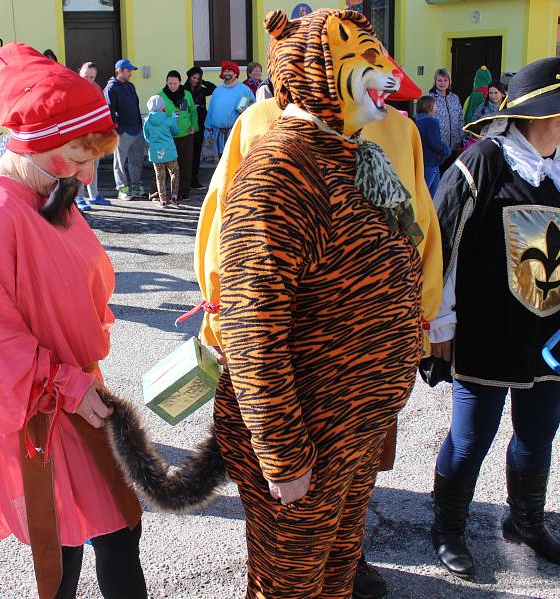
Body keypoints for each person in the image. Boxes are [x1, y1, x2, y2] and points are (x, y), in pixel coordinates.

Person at [206, 9, 424, 597]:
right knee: (289, 584)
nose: (384, 73)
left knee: (337, 569)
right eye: (365, 59)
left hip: (352, 424)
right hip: (307, 434)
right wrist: (283, 454)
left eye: (380, 57)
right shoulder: (279, 170)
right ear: (316, 71)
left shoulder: (352, 153)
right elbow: (254, 329)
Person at [0, 43, 146, 599]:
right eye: (77, 157)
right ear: (34, 141)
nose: (86, 172)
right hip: (42, 406)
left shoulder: (48, 189)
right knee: (73, 541)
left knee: (106, 530)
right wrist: (64, 383)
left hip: (73, 392)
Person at [428, 57, 560, 581]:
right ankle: (448, 528)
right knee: (471, 438)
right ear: (528, 115)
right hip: (488, 331)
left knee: (538, 434)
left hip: (552, 334)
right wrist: (440, 324)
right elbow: (441, 249)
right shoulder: (482, 165)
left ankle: (526, 522)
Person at [105, 58, 144, 200]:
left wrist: (140, 125)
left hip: (137, 130)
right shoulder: (110, 88)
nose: (131, 74)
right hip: (122, 132)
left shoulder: (130, 86)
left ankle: (135, 186)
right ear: (119, 71)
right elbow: (109, 111)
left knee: (136, 160)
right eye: (128, 71)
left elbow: (136, 106)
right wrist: (118, 130)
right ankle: (122, 189)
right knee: (120, 163)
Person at [76, 61, 110, 211]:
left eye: (92, 77)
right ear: (79, 73)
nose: (89, 80)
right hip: (79, 135)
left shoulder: (96, 88)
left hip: (95, 134)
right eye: (86, 76)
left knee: (93, 165)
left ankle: (94, 195)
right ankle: (78, 197)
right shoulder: (73, 88)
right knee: (79, 166)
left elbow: (101, 109)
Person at [204, 60, 254, 157]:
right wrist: (208, 132)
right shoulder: (217, 91)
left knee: (235, 162)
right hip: (218, 134)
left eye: (230, 70)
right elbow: (210, 112)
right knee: (221, 164)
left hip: (235, 134)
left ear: (235, 74)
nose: (227, 73)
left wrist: (246, 110)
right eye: (225, 71)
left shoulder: (244, 90)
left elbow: (253, 107)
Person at [160, 70, 197, 200]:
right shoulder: (161, 96)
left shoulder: (186, 95)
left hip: (186, 134)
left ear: (180, 82)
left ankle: (183, 191)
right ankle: (161, 192)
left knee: (185, 164)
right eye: (170, 83)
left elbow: (192, 112)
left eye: (175, 83)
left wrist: (194, 126)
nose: (172, 86)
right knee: (165, 165)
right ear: (166, 82)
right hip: (168, 136)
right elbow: (158, 116)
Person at [143, 94, 180, 208]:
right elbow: (176, 132)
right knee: (174, 173)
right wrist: (174, 119)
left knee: (160, 176)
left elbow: (147, 137)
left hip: (155, 152)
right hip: (169, 151)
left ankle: (163, 200)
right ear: (163, 106)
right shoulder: (169, 120)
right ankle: (174, 196)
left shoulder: (147, 121)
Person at [184, 66, 215, 190]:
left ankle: (194, 178)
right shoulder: (184, 90)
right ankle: (185, 179)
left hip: (200, 124)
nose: (196, 80)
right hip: (188, 125)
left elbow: (214, 89)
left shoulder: (202, 90)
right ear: (189, 77)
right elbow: (182, 109)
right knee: (187, 153)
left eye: (198, 78)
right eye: (194, 77)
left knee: (197, 152)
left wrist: (204, 82)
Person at [428, 68, 463, 174]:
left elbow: (461, 118)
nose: (442, 83)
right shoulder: (430, 98)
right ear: (435, 81)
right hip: (438, 146)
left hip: (455, 145)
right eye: (439, 80)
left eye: (445, 80)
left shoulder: (455, 98)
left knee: (451, 174)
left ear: (449, 81)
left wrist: (462, 136)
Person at [415, 95, 450, 197]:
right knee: (428, 194)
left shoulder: (416, 120)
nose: (436, 107)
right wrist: (447, 150)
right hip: (430, 162)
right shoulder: (431, 122)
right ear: (430, 106)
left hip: (422, 161)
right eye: (435, 105)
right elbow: (435, 143)